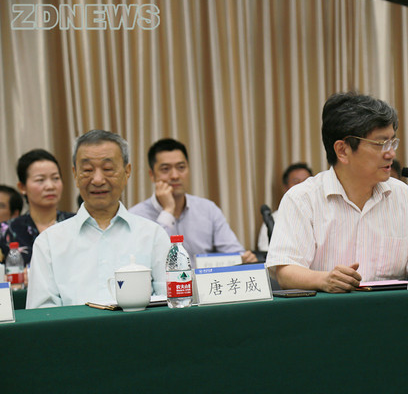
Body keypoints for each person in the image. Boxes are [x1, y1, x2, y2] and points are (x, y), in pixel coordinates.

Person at [266, 92, 408, 293]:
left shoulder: (402, 196)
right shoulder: (303, 199)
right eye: (381, 144)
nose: (391, 153)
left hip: (390, 310)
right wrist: (324, 279)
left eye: (392, 142)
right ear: (342, 150)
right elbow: (285, 271)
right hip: (329, 310)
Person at [26, 130, 169, 308]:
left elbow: (169, 301)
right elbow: (41, 312)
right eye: (87, 170)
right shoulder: (48, 242)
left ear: (127, 172)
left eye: (108, 169)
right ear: (75, 174)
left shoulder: (153, 235)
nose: (98, 180)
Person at [129, 138, 257, 266]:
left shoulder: (208, 209)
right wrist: (167, 211)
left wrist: (243, 258)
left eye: (181, 167)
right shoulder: (136, 216)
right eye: (165, 169)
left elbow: (233, 252)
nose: (175, 176)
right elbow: (148, 261)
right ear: (152, 175)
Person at [0, 150, 74, 266]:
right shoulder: (8, 230)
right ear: (22, 187)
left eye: (55, 178)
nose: (50, 186)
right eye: (40, 180)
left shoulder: (76, 223)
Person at [257, 162, 313, 251]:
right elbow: (265, 251)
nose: (302, 186)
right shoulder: (274, 219)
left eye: (306, 181)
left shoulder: (325, 213)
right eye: (296, 182)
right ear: (285, 188)